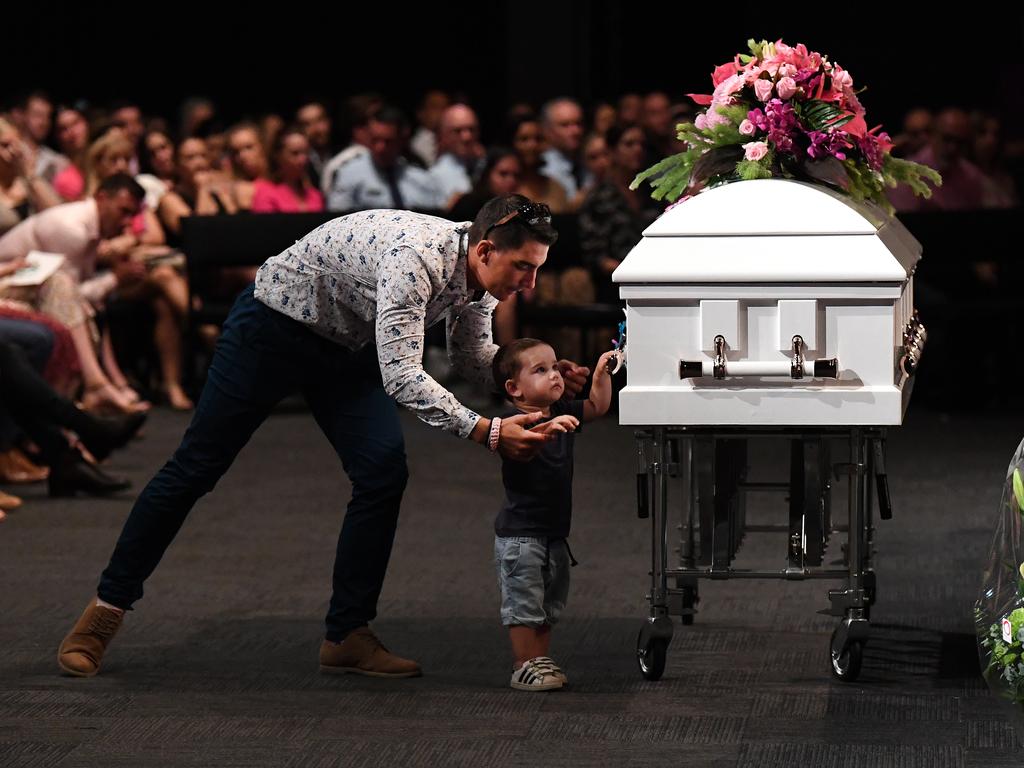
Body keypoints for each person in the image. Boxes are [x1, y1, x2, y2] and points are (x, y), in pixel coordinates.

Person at [57, 194, 591, 680]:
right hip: (272, 330)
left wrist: (539, 373)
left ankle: (346, 635)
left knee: (382, 473)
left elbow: (473, 358)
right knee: (196, 467)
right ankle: (106, 610)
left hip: (345, 345)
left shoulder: (481, 277)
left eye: (536, 270)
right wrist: (486, 431)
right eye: (524, 268)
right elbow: (402, 374)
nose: (530, 284)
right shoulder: (418, 260)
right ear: (485, 250)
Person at [491, 339, 615, 690]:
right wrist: (550, 426)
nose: (555, 376)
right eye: (541, 370)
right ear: (514, 389)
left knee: (546, 604)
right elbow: (526, 443)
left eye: (555, 367)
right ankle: (523, 664)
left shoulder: (560, 409)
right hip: (521, 536)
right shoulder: (513, 425)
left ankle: (540, 661)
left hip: (554, 533)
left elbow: (596, 406)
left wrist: (601, 374)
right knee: (523, 604)